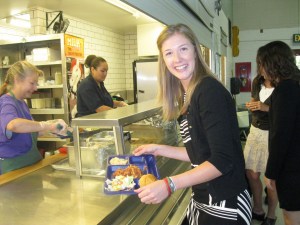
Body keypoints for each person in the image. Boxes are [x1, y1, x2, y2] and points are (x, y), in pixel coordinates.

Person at [133, 24, 252, 225]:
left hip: (225, 203)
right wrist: (159, 149)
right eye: (169, 53)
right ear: (163, 60)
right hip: (204, 198)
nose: (177, 59)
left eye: (183, 49)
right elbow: (202, 152)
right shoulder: (189, 93)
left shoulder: (208, 91)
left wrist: (169, 185)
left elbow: (222, 160)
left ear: (196, 51)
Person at [0, 61, 68, 174]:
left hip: (29, 164)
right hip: (14, 169)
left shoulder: (21, 103)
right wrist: (47, 125)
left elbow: (29, 133)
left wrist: (53, 129)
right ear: (17, 80)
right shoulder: (6, 103)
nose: (35, 88)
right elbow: (14, 125)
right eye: (32, 83)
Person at [261, 41, 300, 225]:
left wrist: (271, 172)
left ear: (272, 64)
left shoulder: (285, 90)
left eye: (262, 64)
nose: (261, 70)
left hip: (292, 167)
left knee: (291, 217)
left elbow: (280, 135)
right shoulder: (294, 85)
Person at [244, 64, 278, 224]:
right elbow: (254, 101)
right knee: (251, 173)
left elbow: (288, 112)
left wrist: (266, 107)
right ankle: (257, 209)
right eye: (261, 66)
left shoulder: (284, 86)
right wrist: (253, 105)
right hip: (254, 132)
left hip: (272, 135)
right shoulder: (257, 81)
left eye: (265, 66)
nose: (261, 70)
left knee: (269, 179)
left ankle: (271, 215)